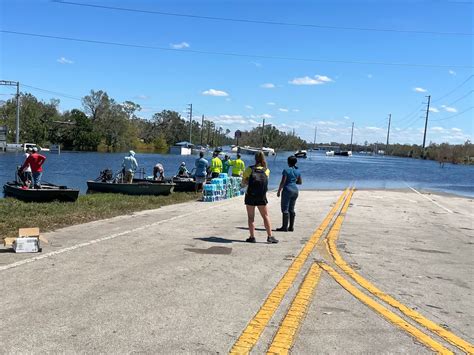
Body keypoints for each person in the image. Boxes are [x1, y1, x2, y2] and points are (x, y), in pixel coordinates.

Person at [242, 151, 278, 244]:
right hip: (261, 196)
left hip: (250, 196)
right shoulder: (266, 170)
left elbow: (244, 183)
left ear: (255, 158)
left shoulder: (249, 169)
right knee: (265, 216)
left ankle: (252, 237)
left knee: (251, 217)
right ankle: (270, 236)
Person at [277, 156, 302, 232]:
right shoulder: (298, 171)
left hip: (287, 190)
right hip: (295, 190)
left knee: (285, 209)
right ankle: (291, 227)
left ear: (288, 162)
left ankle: (284, 227)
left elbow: (283, 182)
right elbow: (300, 182)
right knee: (291, 209)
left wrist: (279, 190)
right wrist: (293, 181)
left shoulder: (286, 170)